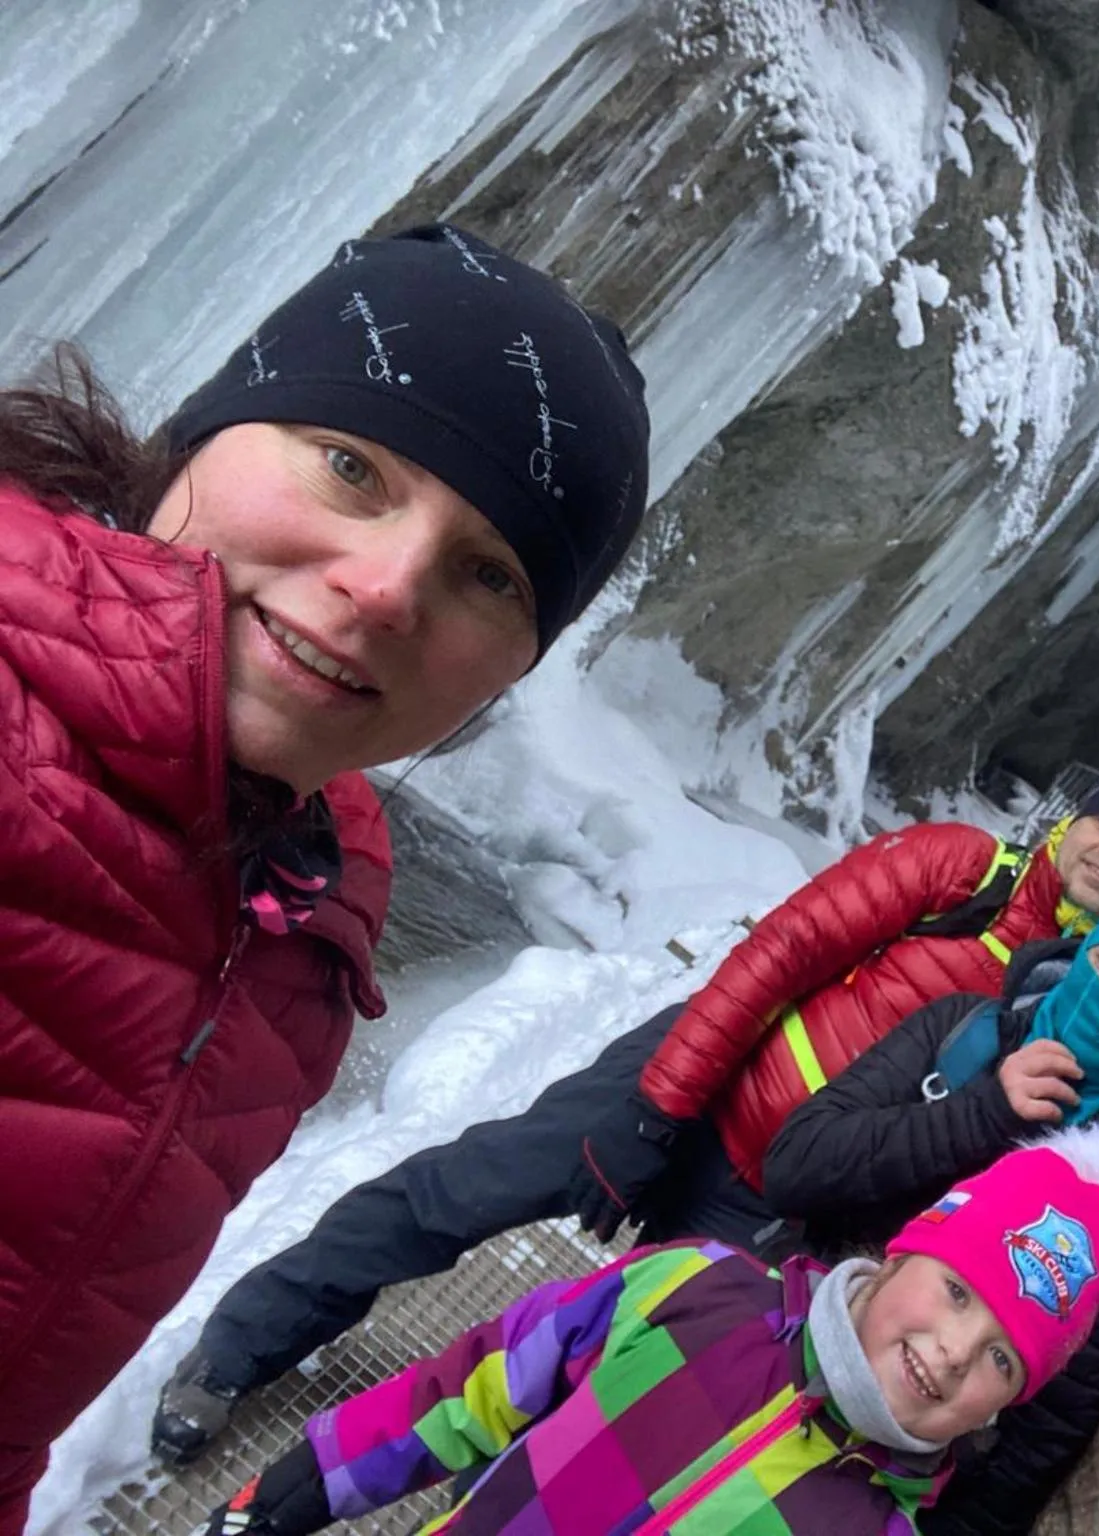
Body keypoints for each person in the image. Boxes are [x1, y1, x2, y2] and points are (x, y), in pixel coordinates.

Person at [0, 224, 651, 1533]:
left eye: (489, 573)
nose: (384, 588)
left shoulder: (301, 944)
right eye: (350, 465)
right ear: (209, 429)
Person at [153, 766, 1099, 1465]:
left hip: (772, 1195)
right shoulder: (960, 869)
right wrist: (657, 1107)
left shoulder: (1074, 1017)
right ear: (1073, 818)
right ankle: (241, 1346)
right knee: (459, 1192)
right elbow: (778, 954)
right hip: (695, 1074)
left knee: (614, 1379)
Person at [195, 1128, 1099, 1536]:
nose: (950, 1350)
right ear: (899, 1256)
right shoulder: (697, 1288)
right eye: (954, 1291)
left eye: (1001, 1359)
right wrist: (300, 1490)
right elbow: (476, 1384)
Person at [763, 875, 1099, 1535]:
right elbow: (795, 1165)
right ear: (1086, 948)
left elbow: (1051, 1426)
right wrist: (984, 1114)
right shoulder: (964, 1033)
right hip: (775, 1348)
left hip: (877, 1477)